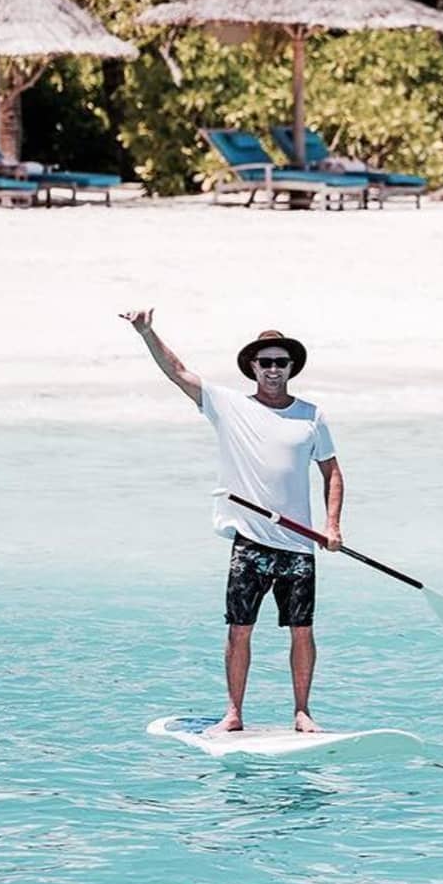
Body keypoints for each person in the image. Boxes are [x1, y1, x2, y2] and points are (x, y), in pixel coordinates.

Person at [120, 313, 343, 733]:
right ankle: (234, 713)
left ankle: (302, 711)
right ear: (253, 367)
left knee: (302, 630)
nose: (273, 369)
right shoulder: (229, 405)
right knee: (240, 629)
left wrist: (332, 527)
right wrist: (147, 332)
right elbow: (178, 373)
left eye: (281, 362)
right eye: (266, 362)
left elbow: (332, 472)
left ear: (291, 366)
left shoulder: (312, 416)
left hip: (298, 546)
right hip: (250, 542)